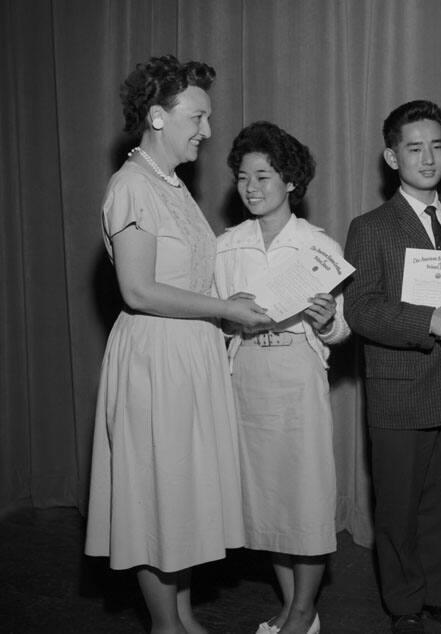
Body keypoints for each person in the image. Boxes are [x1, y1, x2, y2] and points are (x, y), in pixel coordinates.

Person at [84, 55, 273, 634]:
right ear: (157, 116)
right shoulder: (131, 186)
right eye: (198, 116)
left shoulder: (172, 186)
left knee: (181, 492)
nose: (207, 131)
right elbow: (138, 290)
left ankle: (183, 616)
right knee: (154, 496)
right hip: (156, 358)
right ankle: (167, 627)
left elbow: (185, 276)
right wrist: (224, 309)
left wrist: (227, 297)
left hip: (189, 354)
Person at [343, 100, 441, 634]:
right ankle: (404, 606)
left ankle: (440, 595)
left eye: (437, 145)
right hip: (400, 390)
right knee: (399, 508)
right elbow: (361, 308)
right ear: (391, 156)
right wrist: (431, 320)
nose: (428, 158)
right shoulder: (371, 227)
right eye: (414, 147)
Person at [214, 121, 350, 634]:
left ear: (290, 181)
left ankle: (301, 611)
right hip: (246, 375)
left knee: (305, 494)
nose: (252, 187)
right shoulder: (226, 246)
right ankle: (298, 607)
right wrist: (228, 313)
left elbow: (341, 330)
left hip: (296, 373)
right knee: (267, 497)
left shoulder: (318, 246)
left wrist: (328, 321)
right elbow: (212, 321)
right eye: (244, 177)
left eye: (264, 176)